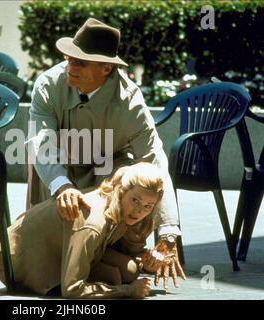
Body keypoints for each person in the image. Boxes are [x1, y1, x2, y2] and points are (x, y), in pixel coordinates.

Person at [25, 17, 185, 288]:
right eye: (69, 58)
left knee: (136, 177)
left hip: (109, 171)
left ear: (107, 68)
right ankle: (49, 251)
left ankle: (120, 252)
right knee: (43, 163)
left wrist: (168, 233)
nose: (70, 67)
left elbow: (154, 160)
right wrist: (62, 185)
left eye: (80, 62)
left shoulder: (130, 101)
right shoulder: (48, 85)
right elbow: (41, 142)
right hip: (60, 166)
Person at [0, 163, 177, 298]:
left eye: (148, 206)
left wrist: (149, 262)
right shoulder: (93, 222)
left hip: (55, 248)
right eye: (135, 200)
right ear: (121, 191)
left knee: (130, 270)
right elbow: (73, 291)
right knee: (121, 280)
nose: (139, 211)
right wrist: (128, 291)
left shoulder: (124, 209)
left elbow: (136, 255)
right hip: (14, 262)